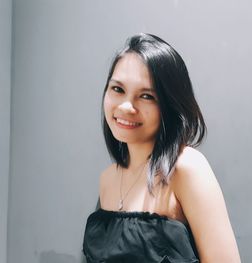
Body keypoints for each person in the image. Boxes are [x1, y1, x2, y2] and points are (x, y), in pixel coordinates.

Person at [82, 33, 241, 263]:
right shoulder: (108, 179)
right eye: (117, 89)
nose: (127, 106)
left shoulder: (186, 168)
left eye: (146, 96)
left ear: (169, 105)